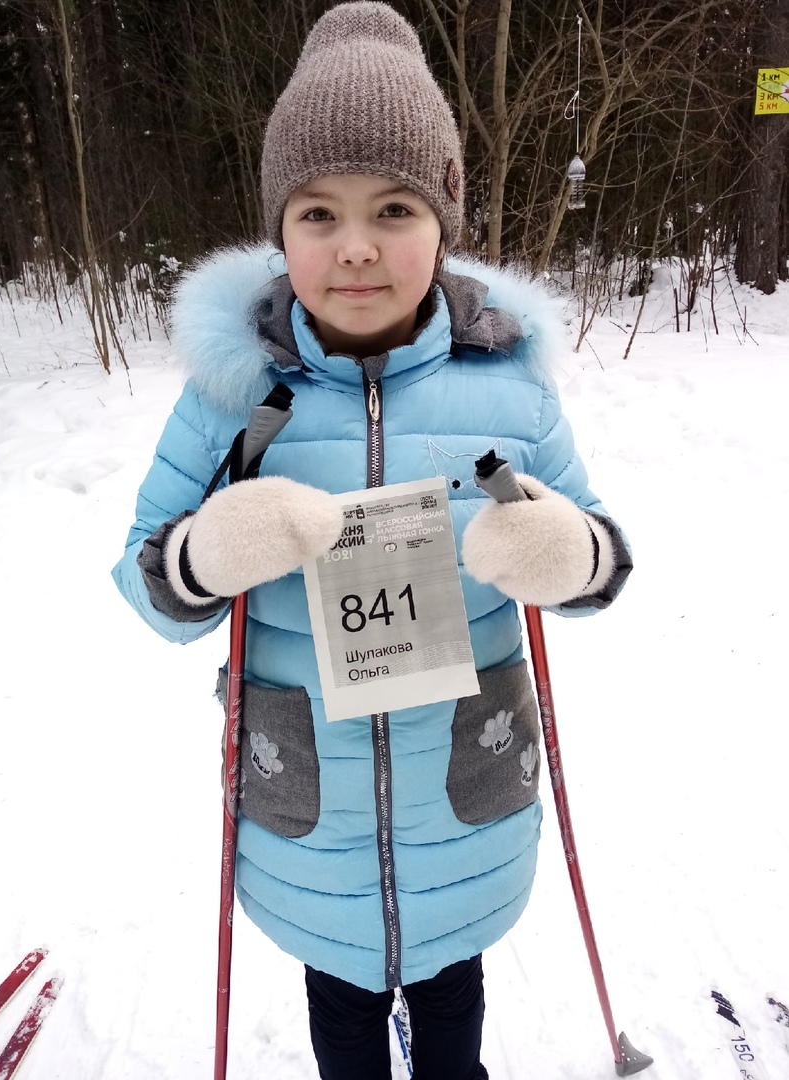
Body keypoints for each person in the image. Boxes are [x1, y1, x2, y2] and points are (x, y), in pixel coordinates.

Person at [112, 4, 633, 1078]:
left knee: (452, 1005)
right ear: (281, 231)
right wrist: (201, 557)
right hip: (311, 807)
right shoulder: (233, 397)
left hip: (465, 795)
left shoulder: (512, 390)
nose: (355, 246)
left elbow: (602, 561)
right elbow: (143, 576)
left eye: (394, 208)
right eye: (319, 213)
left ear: (444, 220)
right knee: (342, 1013)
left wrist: (568, 554)